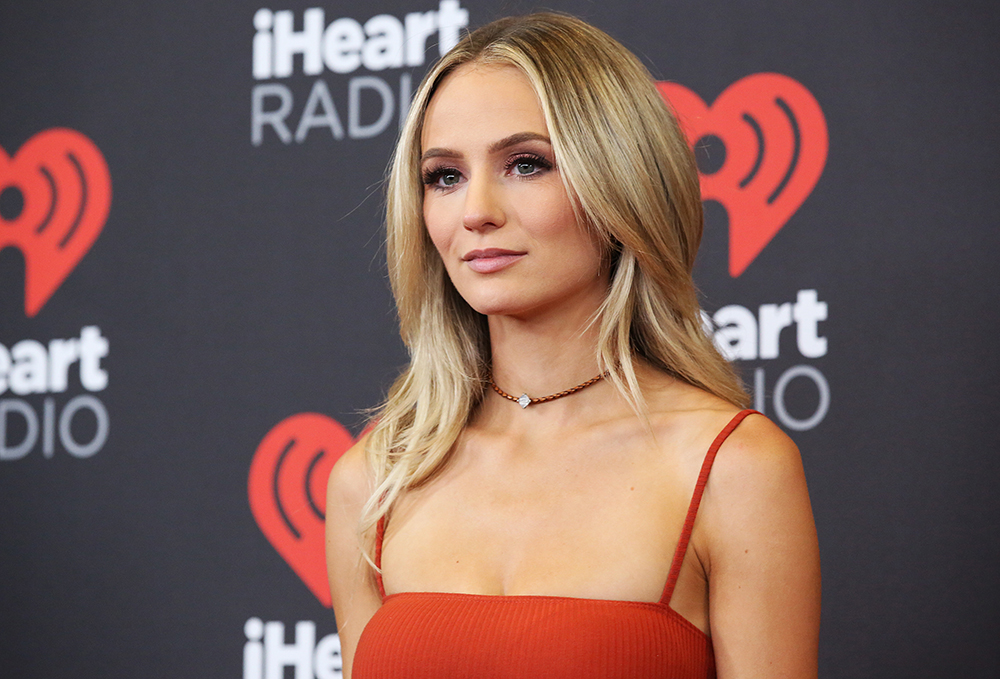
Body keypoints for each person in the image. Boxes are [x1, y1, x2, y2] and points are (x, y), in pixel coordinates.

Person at [326, 12, 820, 679]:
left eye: (526, 164)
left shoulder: (733, 468)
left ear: (620, 184)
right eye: (443, 175)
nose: (475, 210)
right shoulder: (375, 480)